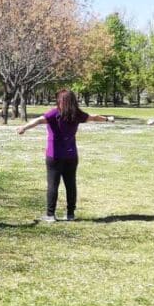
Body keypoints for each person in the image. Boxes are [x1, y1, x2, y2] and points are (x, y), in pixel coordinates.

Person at [17, 89, 114, 222]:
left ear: (60, 101)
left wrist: (24, 128)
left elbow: (39, 120)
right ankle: (70, 214)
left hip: (54, 156)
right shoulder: (77, 114)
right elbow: (94, 117)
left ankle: (50, 215)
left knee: (53, 185)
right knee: (70, 184)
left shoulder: (54, 113)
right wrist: (108, 119)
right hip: (71, 156)